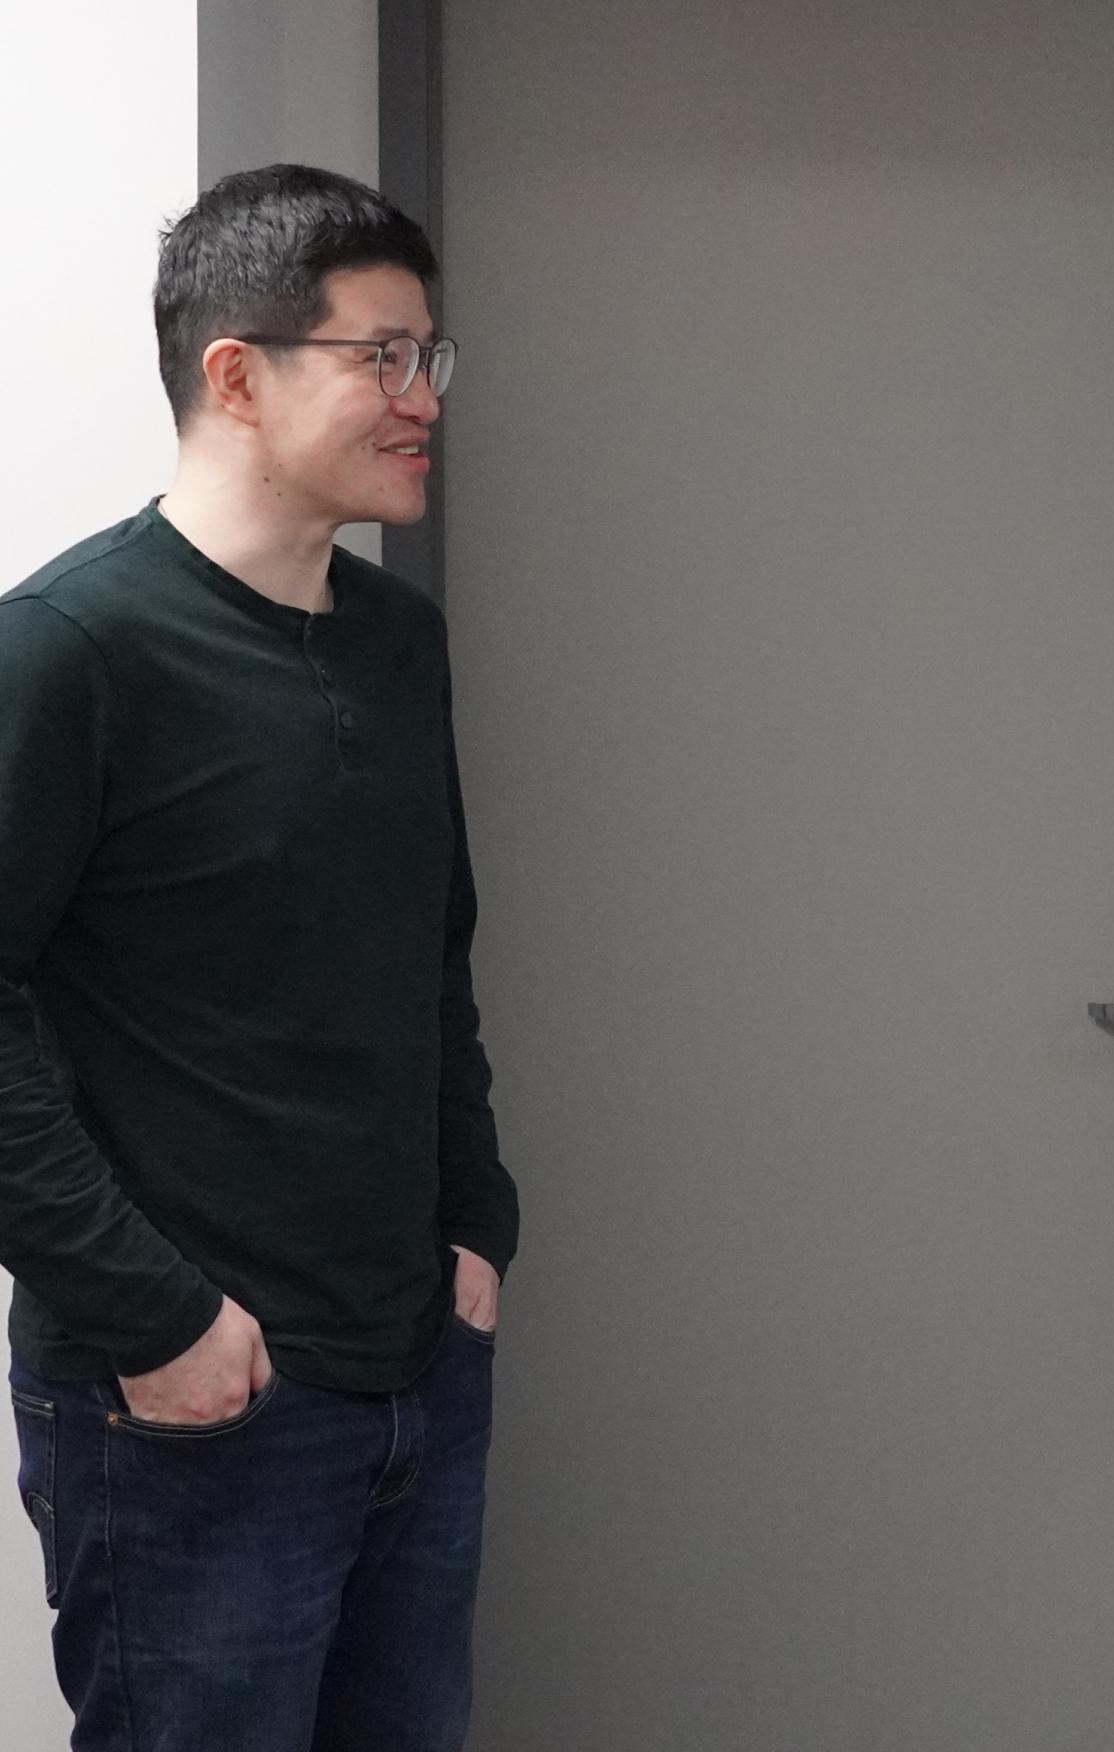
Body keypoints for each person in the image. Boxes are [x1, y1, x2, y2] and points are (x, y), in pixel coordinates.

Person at [0, 163, 518, 1750]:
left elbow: (433, 955)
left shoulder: (395, 638)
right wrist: (156, 1318)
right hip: (186, 1403)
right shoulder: (70, 648)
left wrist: (475, 1225)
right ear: (236, 374)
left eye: (432, 354)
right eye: (384, 355)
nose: (423, 395)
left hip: (414, 1366)